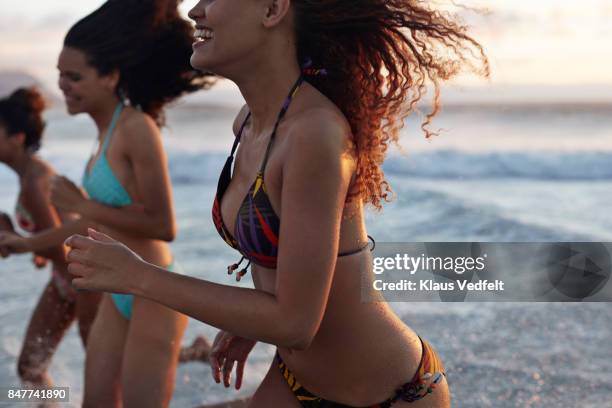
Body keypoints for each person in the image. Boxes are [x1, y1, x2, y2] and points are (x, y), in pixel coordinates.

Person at [62, 0, 488, 407]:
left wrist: (139, 276)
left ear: (272, 9)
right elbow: (289, 280)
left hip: (391, 394)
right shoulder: (248, 121)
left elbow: (295, 324)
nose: (196, 11)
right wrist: (246, 321)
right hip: (294, 381)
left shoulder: (315, 134)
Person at [0, 1, 213, 406]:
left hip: (154, 290)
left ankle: (199, 348)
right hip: (119, 287)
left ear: (110, 76)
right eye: (60, 74)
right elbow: (95, 226)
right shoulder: (101, 141)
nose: (62, 85)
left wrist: (82, 205)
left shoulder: (136, 128)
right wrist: (25, 244)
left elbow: (164, 225)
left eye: (74, 76)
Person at [0, 87, 102, 387]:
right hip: (65, 280)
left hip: (86, 281)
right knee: (30, 368)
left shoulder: (35, 181)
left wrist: (15, 241)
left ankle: (191, 352)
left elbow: (61, 245)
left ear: (17, 138)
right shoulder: (28, 175)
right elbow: (55, 234)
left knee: (105, 367)